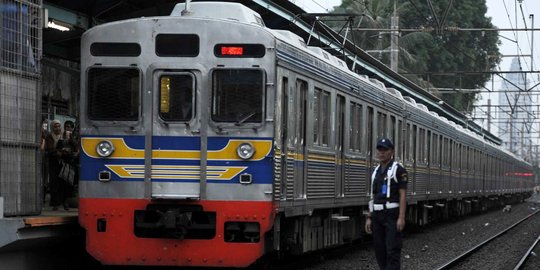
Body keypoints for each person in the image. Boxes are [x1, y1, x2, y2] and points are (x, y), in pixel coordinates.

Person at [365, 137, 408, 270]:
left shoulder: (399, 170)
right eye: (379, 150)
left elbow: (402, 195)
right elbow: (373, 196)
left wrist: (401, 217)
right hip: (377, 214)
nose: (381, 153)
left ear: (391, 152)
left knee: (392, 250)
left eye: (385, 150)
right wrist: (369, 217)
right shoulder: (376, 172)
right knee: (380, 251)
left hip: (392, 214)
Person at [44, 120, 73, 210]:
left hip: (65, 163)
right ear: (52, 128)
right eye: (55, 127)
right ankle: (55, 203)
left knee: (64, 182)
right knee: (54, 182)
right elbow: (50, 149)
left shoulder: (65, 135)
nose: (58, 128)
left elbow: (72, 146)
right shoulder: (49, 137)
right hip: (54, 163)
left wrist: (70, 138)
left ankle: (64, 202)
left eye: (59, 126)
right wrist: (61, 152)